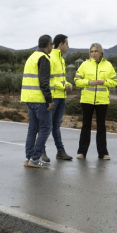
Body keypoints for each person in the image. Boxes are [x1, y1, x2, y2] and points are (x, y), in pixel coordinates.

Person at [74, 43, 117, 159]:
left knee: (101, 126)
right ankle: (82, 152)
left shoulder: (108, 65)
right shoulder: (84, 65)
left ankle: (103, 153)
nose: (93, 53)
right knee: (86, 125)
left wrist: (104, 82)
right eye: (91, 51)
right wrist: (88, 82)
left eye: (95, 51)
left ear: (101, 53)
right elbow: (77, 81)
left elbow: (114, 82)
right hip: (87, 100)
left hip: (102, 100)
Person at [21, 35, 54, 168]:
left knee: (32, 129)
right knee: (46, 128)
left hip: (29, 98)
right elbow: (44, 82)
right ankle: (35, 159)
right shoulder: (43, 58)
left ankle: (28, 158)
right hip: (39, 99)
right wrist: (49, 100)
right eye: (52, 45)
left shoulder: (32, 57)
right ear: (49, 45)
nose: (52, 47)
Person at [41, 34, 74, 162]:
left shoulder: (61, 59)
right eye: (67, 44)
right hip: (53, 98)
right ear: (61, 44)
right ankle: (41, 151)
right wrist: (63, 86)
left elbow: (61, 79)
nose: (68, 46)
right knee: (47, 126)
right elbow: (49, 80)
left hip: (61, 97)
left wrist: (68, 84)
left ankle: (60, 151)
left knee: (55, 126)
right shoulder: (51, 58)